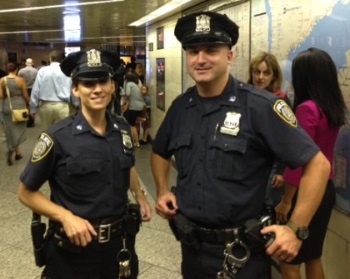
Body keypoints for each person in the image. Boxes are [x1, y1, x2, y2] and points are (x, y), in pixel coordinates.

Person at [150, 11, 330, 279]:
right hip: (192, 252)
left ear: (229, 56)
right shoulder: (181, 108)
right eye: (193, 51)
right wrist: (163, 189)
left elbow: (319, 165)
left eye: (211, 50)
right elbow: (160, 150)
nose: (200, 59)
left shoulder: (260, 107)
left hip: (241, 256)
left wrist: (296, 228)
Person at [18, 49, 152, 279]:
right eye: (88, 83)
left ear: (112, 86)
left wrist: (139, 195)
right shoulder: (57, 137)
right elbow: (25, 193)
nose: (97, 89)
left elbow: (127, 163)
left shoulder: (122, 131)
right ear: (75, 89)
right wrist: (65, 216)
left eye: (103, 81)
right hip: (73, 252)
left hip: (119, 245)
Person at [275, 47, 346, 279]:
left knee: (290, 258)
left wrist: (286, 201)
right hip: (325, 190)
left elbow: (300, 162)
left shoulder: (307, 109)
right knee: (313, 256)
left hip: (304, 191)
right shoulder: (331, 107)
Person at [247, 51, 290, 205]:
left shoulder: (280, 100)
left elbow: (287, 138)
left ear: (274, 76)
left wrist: (281, 171)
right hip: (248, 162)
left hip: (272, 163)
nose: (260, 77)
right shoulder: (244, 95)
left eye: (266, 73)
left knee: (267, 205)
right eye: (257, 72)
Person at [30, 50, 72, 131]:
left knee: (47, 133)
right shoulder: (67, 71)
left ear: (50, 58)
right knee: (62, 132)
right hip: (62, 106)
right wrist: (76, 104)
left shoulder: (42, 71)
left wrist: (33, 108)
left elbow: (35, 90)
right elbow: (72, 89)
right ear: (62, 59)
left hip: (45, 106)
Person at [0, 61, 30, 165]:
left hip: (7, 106)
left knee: (9, 130)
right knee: (20, 128)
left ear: (8, 69)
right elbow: (25, 95)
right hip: (19, 105)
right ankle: (12, 148)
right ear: (16, 69)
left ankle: (15, 151)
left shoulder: (2, 80)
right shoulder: (20, 80)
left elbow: (1, 96)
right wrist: (29, 104)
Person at [122, 72, 145, 147]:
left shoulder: (129, 84)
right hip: (140, 106)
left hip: (134, 106)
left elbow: (128, 94)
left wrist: (123, 93)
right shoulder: (136, 84)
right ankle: (142, 119)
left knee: (132, 125)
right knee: (132, 121)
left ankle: (136, 141)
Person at [18, 58, 38, 127]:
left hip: (24, 89)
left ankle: (25, 119)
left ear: (26, 63)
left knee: (25, 105)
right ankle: (31, 121)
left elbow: (19, 80)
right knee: (32, 105)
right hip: (33, 89)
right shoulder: (36, 71)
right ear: (32, 63)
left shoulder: (21, 71)